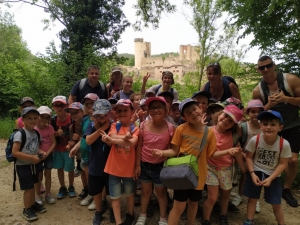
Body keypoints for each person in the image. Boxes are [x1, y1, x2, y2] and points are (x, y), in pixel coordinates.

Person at [152, 98, 216, 225]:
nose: (193, 113)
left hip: (199, 176)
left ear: (200, 108)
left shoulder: (210, 133)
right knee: (179, 206)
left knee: (193, 203)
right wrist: (163, 152)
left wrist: (229, 152)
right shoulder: (181, 129)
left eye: (194, 109)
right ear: (184, 117)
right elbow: (174, 151)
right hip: (181, 175)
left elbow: (211, 155)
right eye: (188, 112)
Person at [252, 55, 300, 207]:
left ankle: (286, 189)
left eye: (268, 65)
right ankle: (260, 187)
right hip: (270, 129)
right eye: (262, 67)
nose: (266, 69)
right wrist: (269, 105)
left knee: (292, 160)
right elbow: (256, 113)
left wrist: (285, 98)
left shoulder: (291, 80)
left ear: (274, 64)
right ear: (258, 70)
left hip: (292, 125)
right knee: (263, 157)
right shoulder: (258, 90)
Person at [243, 110, 291, 225]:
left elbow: (283, 163)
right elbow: (249, 157)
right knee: (252, 198)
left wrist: (271, 178)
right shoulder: (256, 140)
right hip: (256, 171)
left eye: (273, 124)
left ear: (280, 127)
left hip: (273, 174)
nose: (268, 127)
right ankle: (249, 220)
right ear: (260, 126)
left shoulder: (284, 144)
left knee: (276, 202)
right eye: (265, 124)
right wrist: (252, 173)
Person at [134, 97, 175, 225]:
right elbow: (139, 145)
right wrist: (137, 165)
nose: (155, 110)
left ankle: (163, 218)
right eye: (152, 108)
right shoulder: (143, 125)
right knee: (146, 192)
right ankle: (143, 214)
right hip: (145, 165)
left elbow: (174, 150)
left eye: (159, 107)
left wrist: (163, 153)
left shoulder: (170, 128)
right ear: (148, 110)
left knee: (161, 193)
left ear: (165, 110)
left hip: (161, 166)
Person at [202, 105, 246, 225]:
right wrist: (228, 151)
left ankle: (223, 215)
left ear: (233, 125)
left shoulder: (233, 136)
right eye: (226, 116)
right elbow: (209, 154)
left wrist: (244, 170)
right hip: (210, 167)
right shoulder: (208, 131)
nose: (226, 120)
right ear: (219, 115)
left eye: (231, 120)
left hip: (226, 169)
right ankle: (206, 219)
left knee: (226, 194)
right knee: (212, 196)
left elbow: (237, 153)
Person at [101, 99, 140, 225]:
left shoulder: (135, 127)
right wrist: (124, 138)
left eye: (125, 110)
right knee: (114, 196)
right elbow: (112, 137)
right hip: (114, 168)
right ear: (116, 113)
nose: (122, 113)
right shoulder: (115, 125)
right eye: (119, 110)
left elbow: (133, 143)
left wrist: (112, 140)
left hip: (129, 169)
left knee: (130, 194)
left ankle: (130, 215)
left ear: (132, 111)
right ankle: (118, 221)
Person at [12, 107, 47, 221]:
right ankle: (27, 209)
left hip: (33, 164)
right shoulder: (20, 133)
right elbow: (15, 152)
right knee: (28, 188)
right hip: (23, 165)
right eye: (29, 118)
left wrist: (42, 153)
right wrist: (32, 158)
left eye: (35, 118)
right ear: (23, 120)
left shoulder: (36, 133)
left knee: (34, 184)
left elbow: (36, 148)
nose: (33, 120)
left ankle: (32, 204)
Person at [231, 100, 264, 211]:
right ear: (248, 113)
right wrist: (244, 156)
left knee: (257, 176)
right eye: (253, 111)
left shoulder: (264, 127)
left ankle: (255, 199)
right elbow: (237, 142)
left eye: (258, 111)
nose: (255, 114)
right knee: (244, 174)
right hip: (243, 155)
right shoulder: (243, 126)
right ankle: (239, 195)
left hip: (258, 158)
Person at [85, 99, 113, 225]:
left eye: (104, 115)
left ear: (110, 114)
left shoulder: (114, 125)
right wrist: (101, 129)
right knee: (96, 191)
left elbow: (113, 144)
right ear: (94, 115)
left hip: (111, 165)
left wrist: (103, 129)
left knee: (112, 190)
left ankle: (113, 209)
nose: (102, 118)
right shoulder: (91, 126)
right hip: (95, 164)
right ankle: (98, 211)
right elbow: (88, 141)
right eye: (98, 116)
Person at [51, 96, 76, 199]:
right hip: (57, 148)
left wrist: (71, 143)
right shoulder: (53, 120)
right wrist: (57, 134)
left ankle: (71, 186)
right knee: (59, 168)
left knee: (70, 168)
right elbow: (50, 135)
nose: (59, 107)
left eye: (61, 105)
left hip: (68, 148)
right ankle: (62, 187)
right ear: (53, 107)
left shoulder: (71, 118)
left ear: (66, 105)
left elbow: (75, 131)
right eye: (56, 105)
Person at [34, 106, 57, 205]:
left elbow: (54, 142)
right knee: (38, 176)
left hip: (48, 155)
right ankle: (38, 194)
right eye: (42, 116)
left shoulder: (50, 128)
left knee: (48, 174)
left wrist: (47, 153)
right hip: (38, 155)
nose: (44, 119)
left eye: (47, 117)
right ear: (37, 116)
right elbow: (33, 145)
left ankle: (48, 193)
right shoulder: (34, 129)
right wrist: (41, 152)